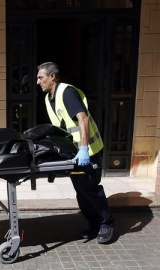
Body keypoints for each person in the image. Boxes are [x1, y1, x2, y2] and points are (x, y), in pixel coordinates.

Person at [36, 62, 114, 244]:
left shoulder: (67, 92)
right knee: (81, 191)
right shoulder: (49, 98)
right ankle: (94, 224)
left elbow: (83, 119)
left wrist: (85, 149)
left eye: (40, 77)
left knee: (91, 189)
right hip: (73, 154)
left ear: (52, 76)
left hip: (88, 151)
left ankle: (107, 222)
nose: (38, 81)